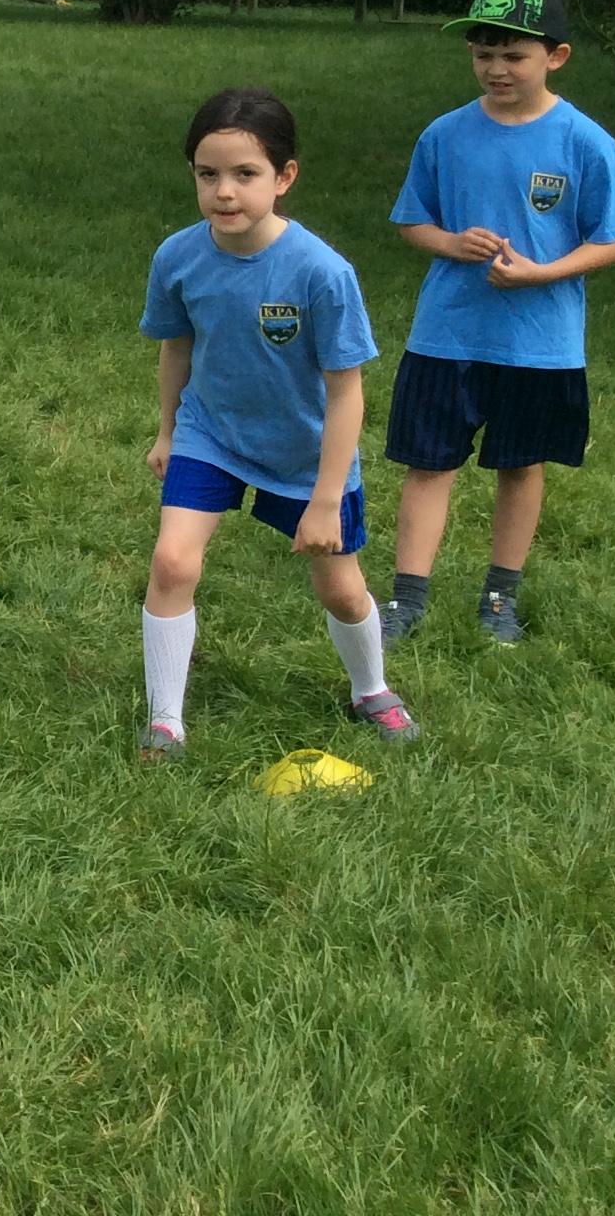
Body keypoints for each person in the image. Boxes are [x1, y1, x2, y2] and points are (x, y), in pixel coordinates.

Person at [138, 87, 417, 758]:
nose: (224, 192)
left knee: (341, 590)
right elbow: (176, 348)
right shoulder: (177, 257)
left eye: (245, 174)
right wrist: (169, 431)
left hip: (305, 454)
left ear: (284, 177)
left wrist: (325, 499)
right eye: (207, 174)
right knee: (172, 561)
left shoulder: (322, 272)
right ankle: (165, 720)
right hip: (212, 434)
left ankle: (371, 689)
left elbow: (346, 394)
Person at [381, 0, 615, 646]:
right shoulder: (444, 134)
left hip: (540, 342)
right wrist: (451, 243)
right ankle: (406, 601)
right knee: (428, 464)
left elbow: (613, 239)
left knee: (521, 466)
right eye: (483, 54)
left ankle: (499, 600)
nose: (496, 69)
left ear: (557, 56)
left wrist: (540, 274)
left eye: (514, 56)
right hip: (447, 334)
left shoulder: (585, 141)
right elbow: (413, 221)